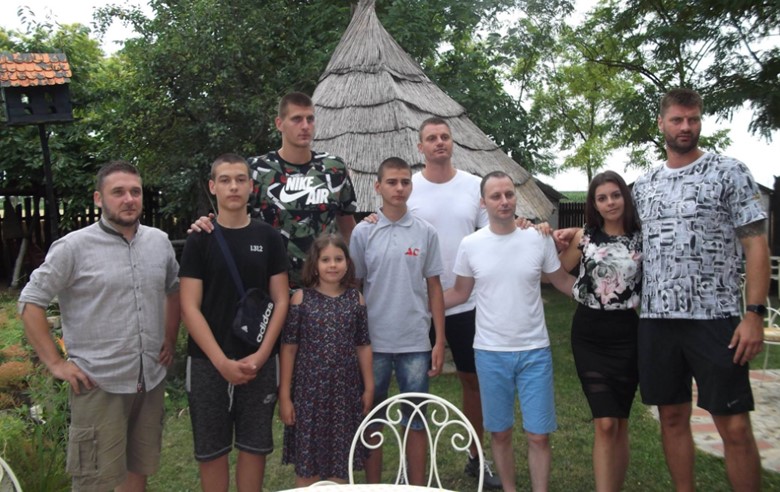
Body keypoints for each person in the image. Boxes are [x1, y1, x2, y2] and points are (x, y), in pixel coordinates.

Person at [555, 88, 770, 492]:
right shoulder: (646, 184)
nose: (685, 126)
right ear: (662, 123)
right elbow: (615, 235)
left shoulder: (729, 171)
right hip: (655, 323)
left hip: (716, 319)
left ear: (700, 121)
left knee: (735, 424)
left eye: (692, 119)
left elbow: (756, 243)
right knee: (672, 419)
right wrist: (574, 233)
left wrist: (754, 313)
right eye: (677, 119)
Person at [19, 160, 180, 491]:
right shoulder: (74, 247)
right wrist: (55, 363)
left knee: (139, 468)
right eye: (118, 192)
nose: (128, 199)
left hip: (148, 380)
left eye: (135, 192)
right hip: (98, 383)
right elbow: (30, 301)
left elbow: (174, 290)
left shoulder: (159, 241)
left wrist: (169, 336)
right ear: (98, 198)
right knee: (96, 480)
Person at [444, 171, 575, 492]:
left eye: (509, 195)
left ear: (516, 197)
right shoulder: (471, 244)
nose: (504, 202)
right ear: (483, 202)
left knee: (538, 435)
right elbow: (459, 293)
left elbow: (561, 281)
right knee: (499, 432)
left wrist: (604, 297)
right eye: (496, 196)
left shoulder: (537, 238)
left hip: (535, 352)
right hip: (490, 353)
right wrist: (419, 302)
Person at [179, 153, 290, 491]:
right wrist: (221, 362)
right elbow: (189, 306)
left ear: (251, 186)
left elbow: (281, 298)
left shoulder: (269, 238)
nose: (233, 186)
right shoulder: (200, 239)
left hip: (258, 360)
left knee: (253, 447)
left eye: (240, 179)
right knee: (211, 450)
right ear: (213, 186)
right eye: (225, 180)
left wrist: (261, 355)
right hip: (207, 362)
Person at [408, 117, 503, 488]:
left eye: (445, 137)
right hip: (417, 306)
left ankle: (477, 458)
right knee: (415, 386)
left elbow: (493, 233)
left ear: (453, 142)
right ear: (421, 147)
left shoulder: (471, 187)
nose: (439, 143)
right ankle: (414, 468)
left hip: (466, 303)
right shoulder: (409, 187)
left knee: (473, 380)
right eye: (431, 138)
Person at [190, 92, 357, 288]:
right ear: (279, 123)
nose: (305, 126)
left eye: (310, 119)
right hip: (269, 290)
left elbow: (348, 226)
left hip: (323, 290)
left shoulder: (334, 168)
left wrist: (352, 273)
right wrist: (206, 224)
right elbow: (231, 221)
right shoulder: (257, 170)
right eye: (296, 119)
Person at [349, 157, 446, 486]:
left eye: (405, 181)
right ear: (377, 187)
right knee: (372, 421)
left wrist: (439, 340)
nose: (399, 188)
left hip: (414, 342)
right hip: (373, 343)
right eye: (392, 182)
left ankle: (416, 487)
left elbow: (434, 287)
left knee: (416, 420)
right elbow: (355, 288)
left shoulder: (425, 232)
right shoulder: (364, 232)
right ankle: (375, 486)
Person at [557, 171, 642, 492]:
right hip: (589, 335)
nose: (610, 203)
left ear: (625, 197)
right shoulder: (584, 236)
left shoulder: (641, 238)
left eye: (615, 195)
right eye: (602, 197)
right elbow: (555, 272)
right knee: (604, 422)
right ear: (594, 203)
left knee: (619, 422)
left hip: (627, 335)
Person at [279, 233, 374, 486]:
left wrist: (369, 386)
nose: (333, 265)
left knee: (340, 463)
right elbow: (289, 348)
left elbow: (363, 345)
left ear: (347, 263)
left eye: (338, 259)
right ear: (315, 264)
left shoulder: (356, 299)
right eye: (325, 259)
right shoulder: (300, 299)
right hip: (309, 394)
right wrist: (285, 395)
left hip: (345, 392)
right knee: (308, 464)